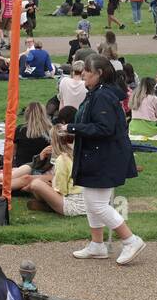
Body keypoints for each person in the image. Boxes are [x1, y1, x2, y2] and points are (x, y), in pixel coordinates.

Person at [59, 55, 146, 264]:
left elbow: (104, 128)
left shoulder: (103, 96)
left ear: (98, 74)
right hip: (98, 154)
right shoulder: (97, 94)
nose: (83, 75)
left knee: (97, 204)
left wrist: (72, 128)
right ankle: (97, 245)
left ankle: (130, 240)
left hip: (105, 156)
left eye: (87, 72)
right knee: (92, 202)